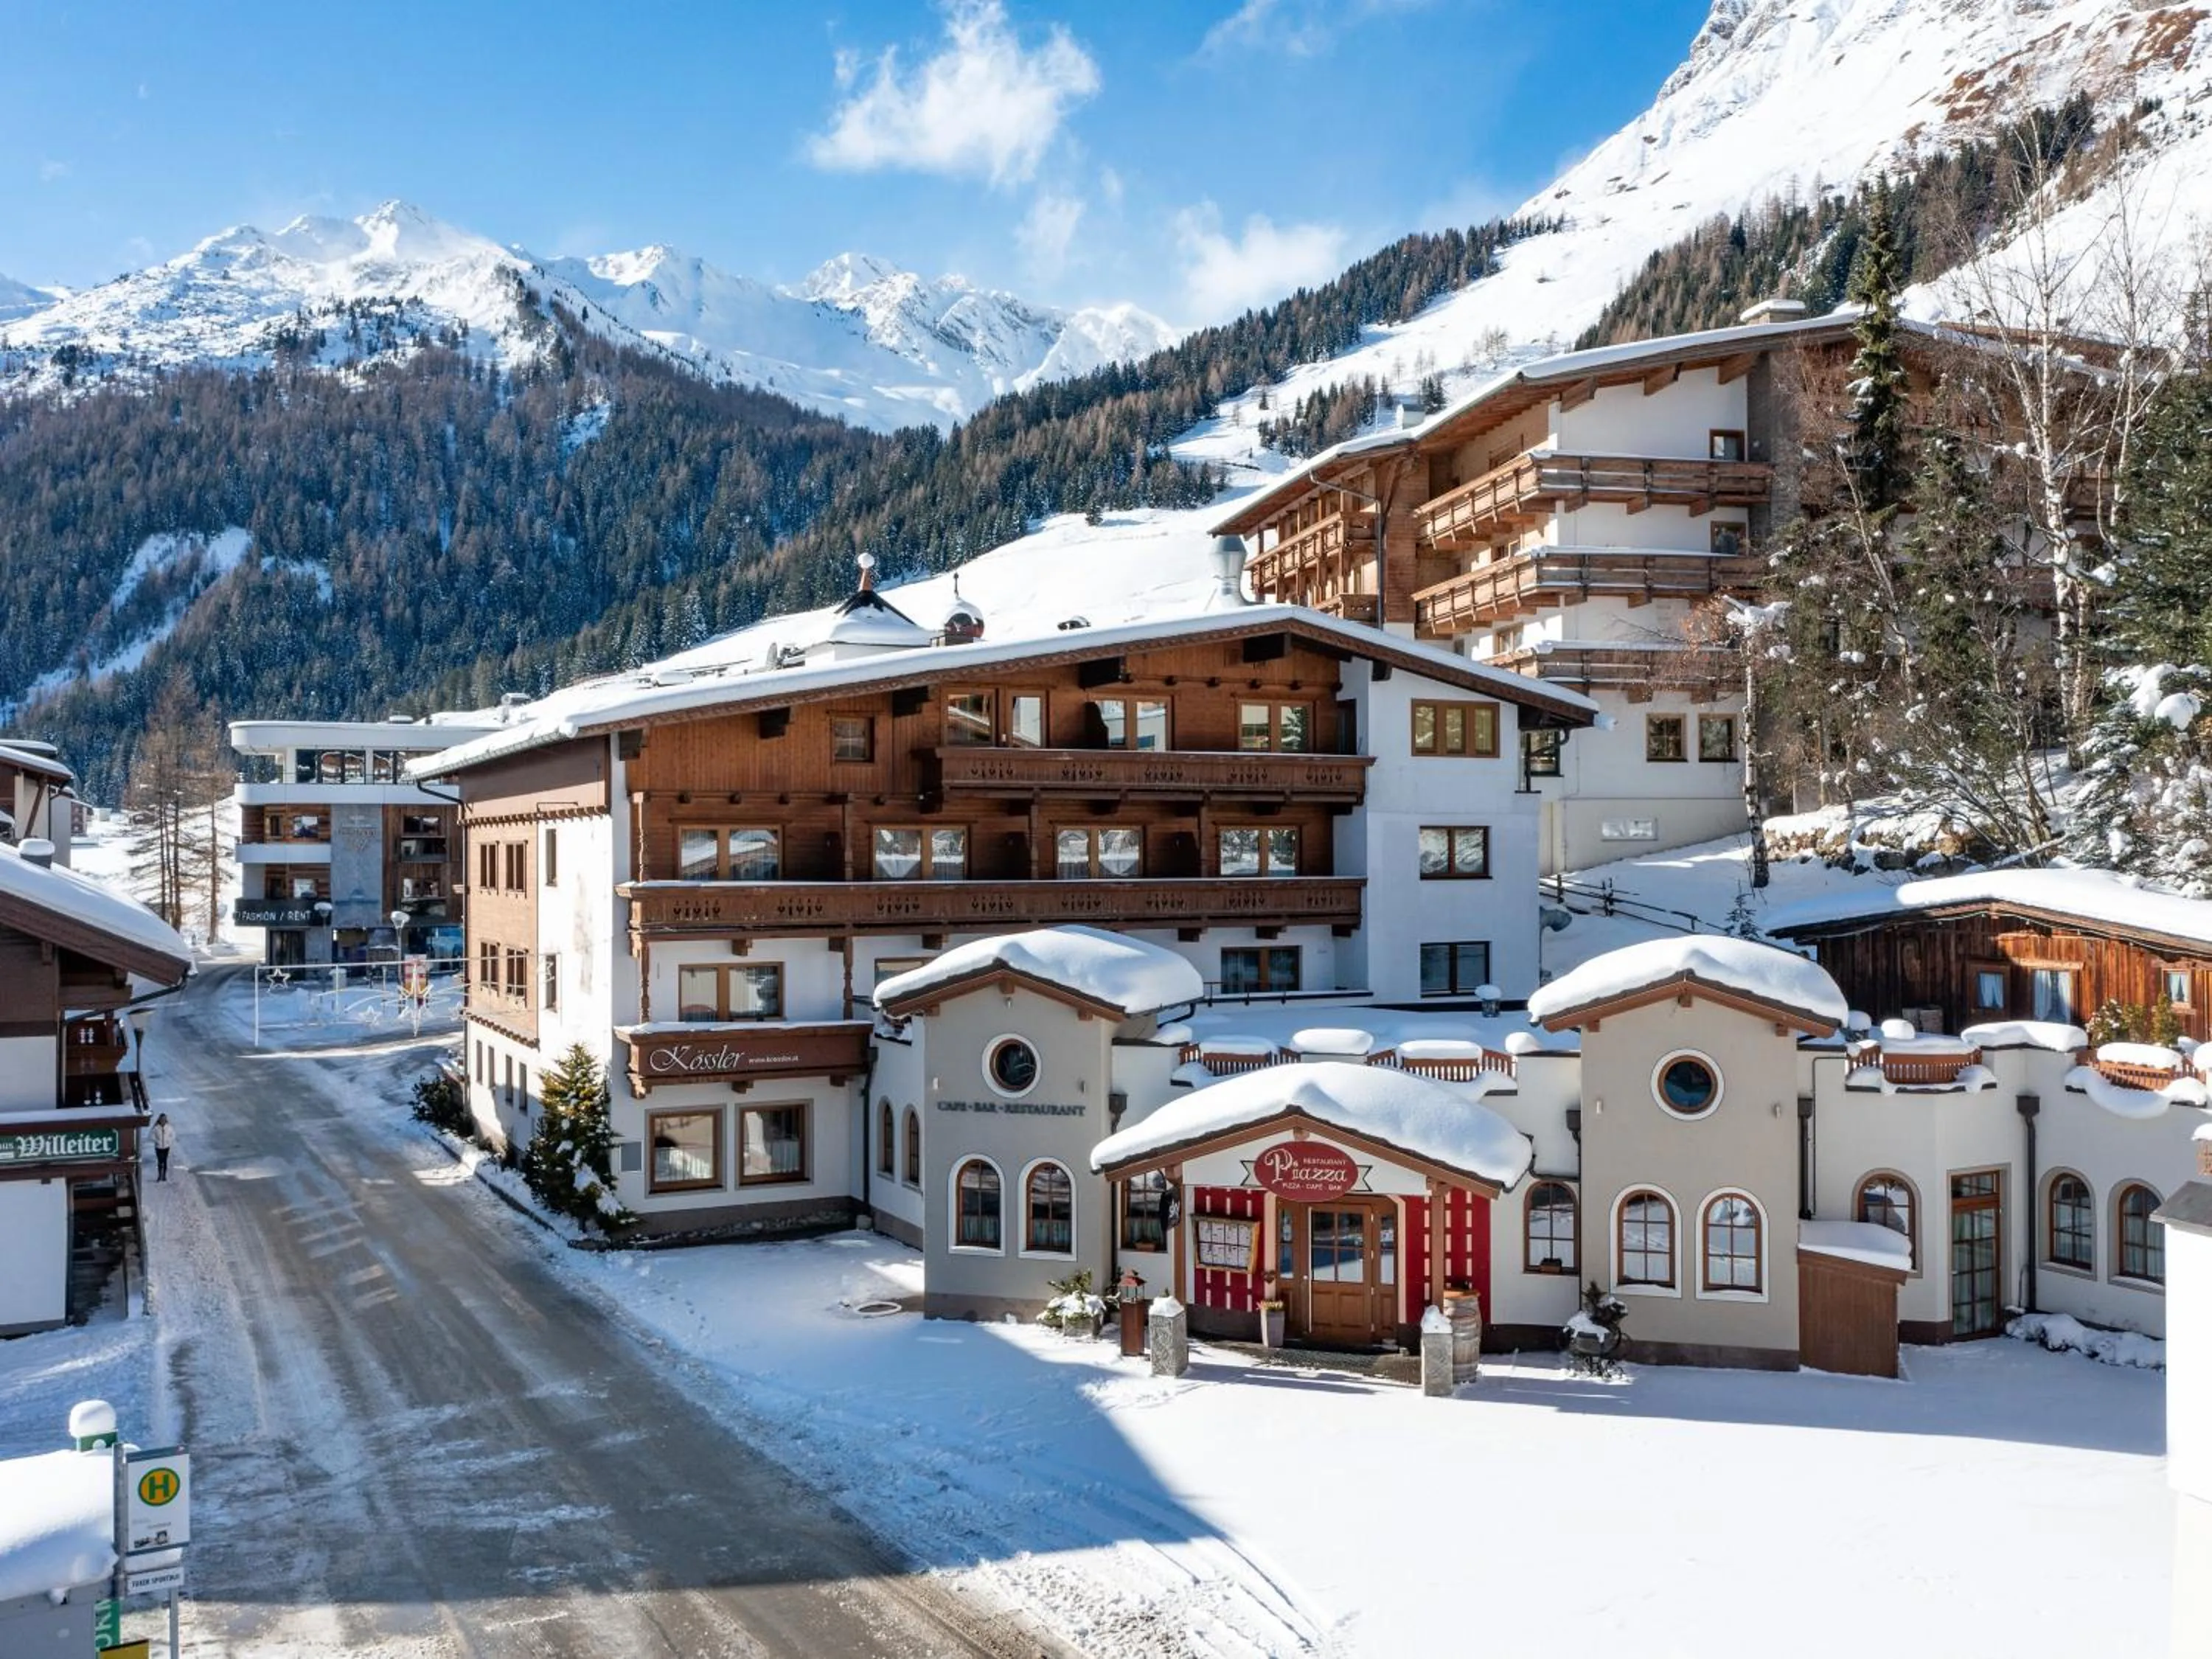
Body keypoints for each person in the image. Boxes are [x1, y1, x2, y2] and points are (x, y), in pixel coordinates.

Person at [151, 1113, 175, 1183]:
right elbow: (151, 1136)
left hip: (166, 1147)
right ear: (159, 1120)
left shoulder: (169, 1127)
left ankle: (164, 1176)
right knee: (160, 1161)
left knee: (165, 1161)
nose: (163, 1120)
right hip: (158, 1147)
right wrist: (157, 1141)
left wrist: (169, 1141)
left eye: (164, 1119)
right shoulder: (156, 1128)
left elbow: (173, 1135)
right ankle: (159, 1176)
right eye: (162, 1119)